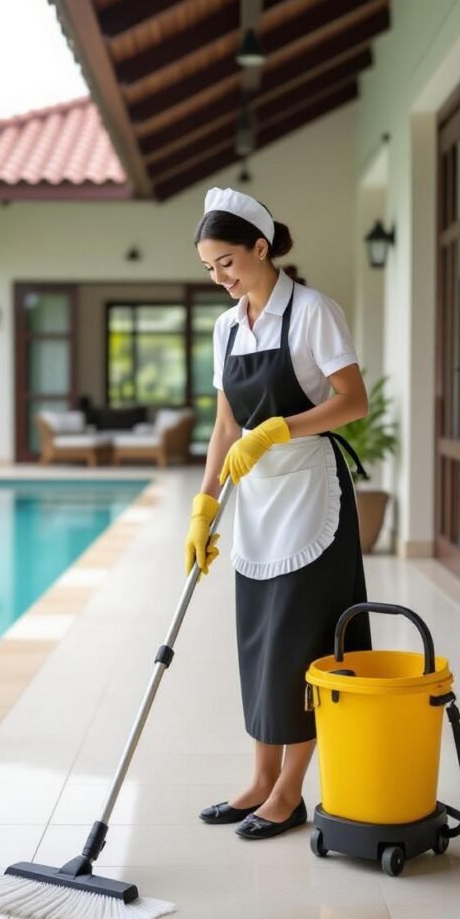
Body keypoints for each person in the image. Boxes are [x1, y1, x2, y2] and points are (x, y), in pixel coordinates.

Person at [186, 186, 372, 840]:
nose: (220, 279)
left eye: (227, 263)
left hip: (310, 496)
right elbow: (225, 423)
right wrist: (204, 504)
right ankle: (259, 780)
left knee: (302, 645)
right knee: (260, 643)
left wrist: (278, 431)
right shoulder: (227, 326)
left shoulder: (314, 311)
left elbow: (352, 402)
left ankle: (290, 792)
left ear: (260, 249)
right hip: (257, 505)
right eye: (210, 269)